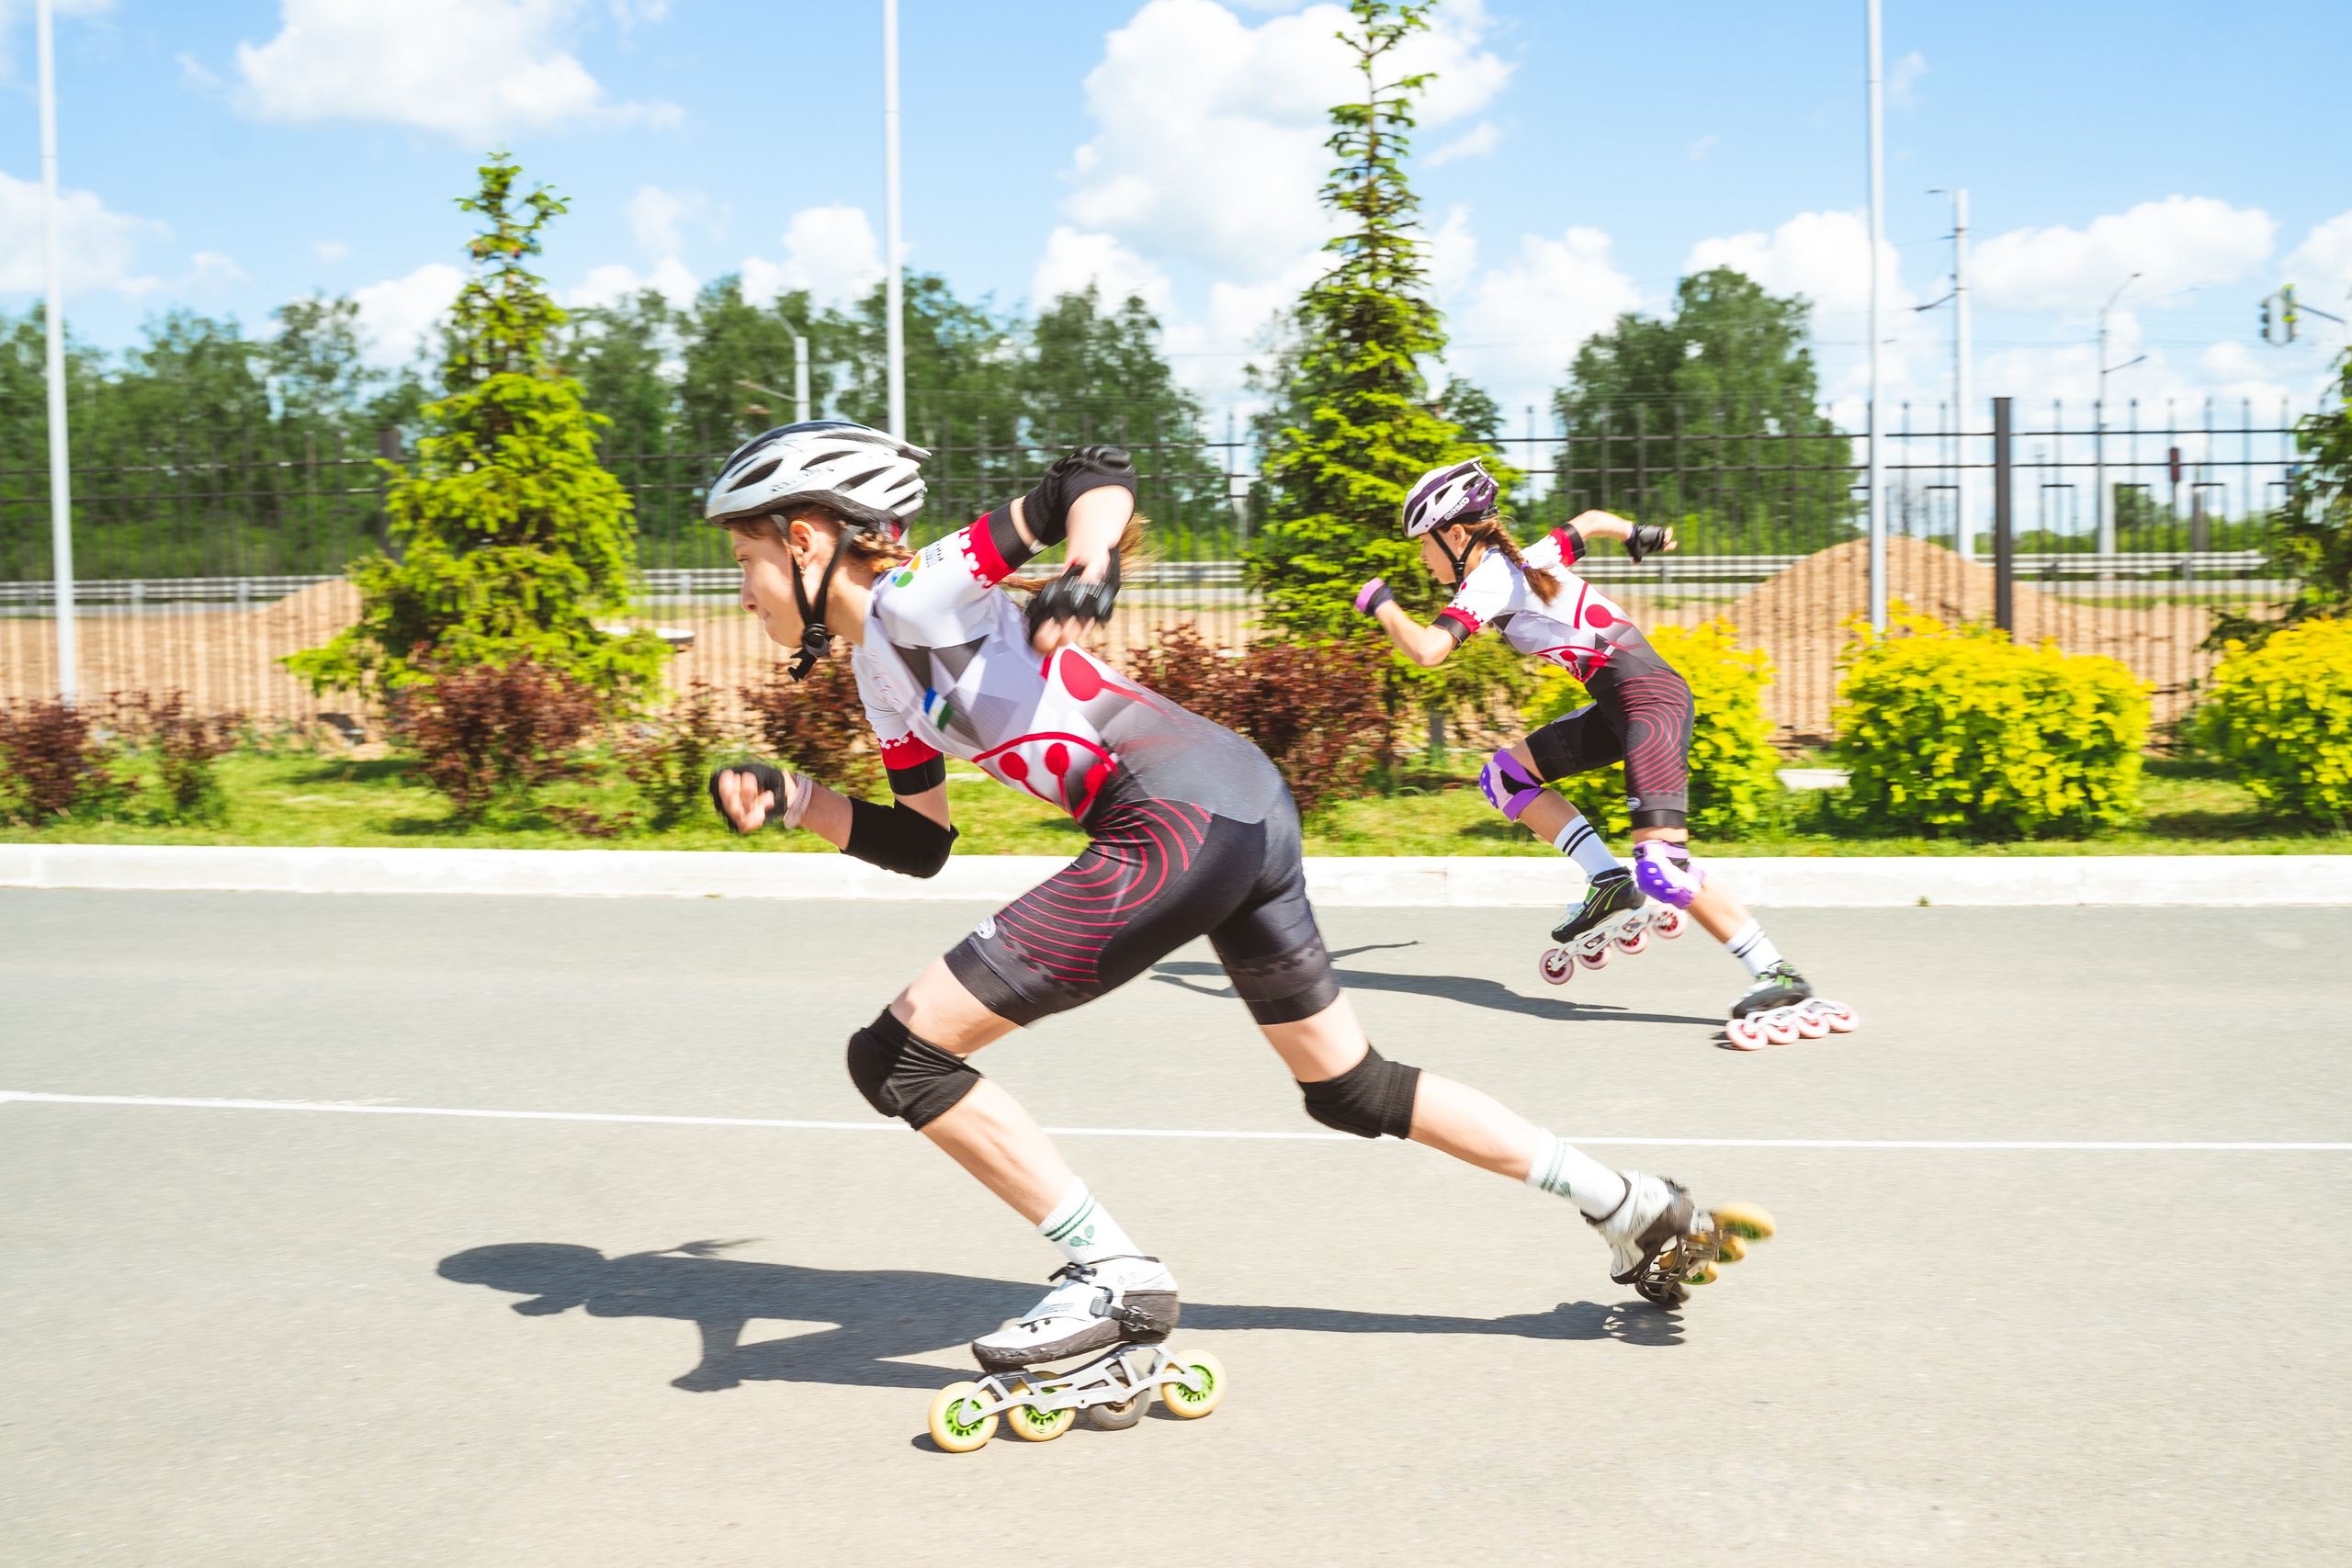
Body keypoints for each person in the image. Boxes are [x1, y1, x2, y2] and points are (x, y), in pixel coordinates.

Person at [700, 422, 1770, 1386]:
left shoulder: (917, 594)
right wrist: (796, 798)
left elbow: (1092, 472)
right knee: (1350, 1087)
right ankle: (1626, 1203)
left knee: (897, 1056)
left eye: (743, 559)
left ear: (803, 540)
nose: (739, 589)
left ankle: (1111, 1273)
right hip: (1237, 805)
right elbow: (921, 841)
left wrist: (1086, 566)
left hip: (1175, 814)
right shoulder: (879, 672)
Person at [1353, 457, 1816, 1025]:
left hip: (1650, 700)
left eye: (1423, 545)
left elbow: (1428, 651)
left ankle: (1777, 972)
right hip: (1618, 704)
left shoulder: (1491, 578)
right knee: (1504, 777)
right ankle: (1606, 880)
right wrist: (1638, 534)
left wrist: (1380, 604)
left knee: (1663, 869)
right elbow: (1592, 521)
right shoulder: (1523, 560)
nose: (1423, 561)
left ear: (1455, 535)